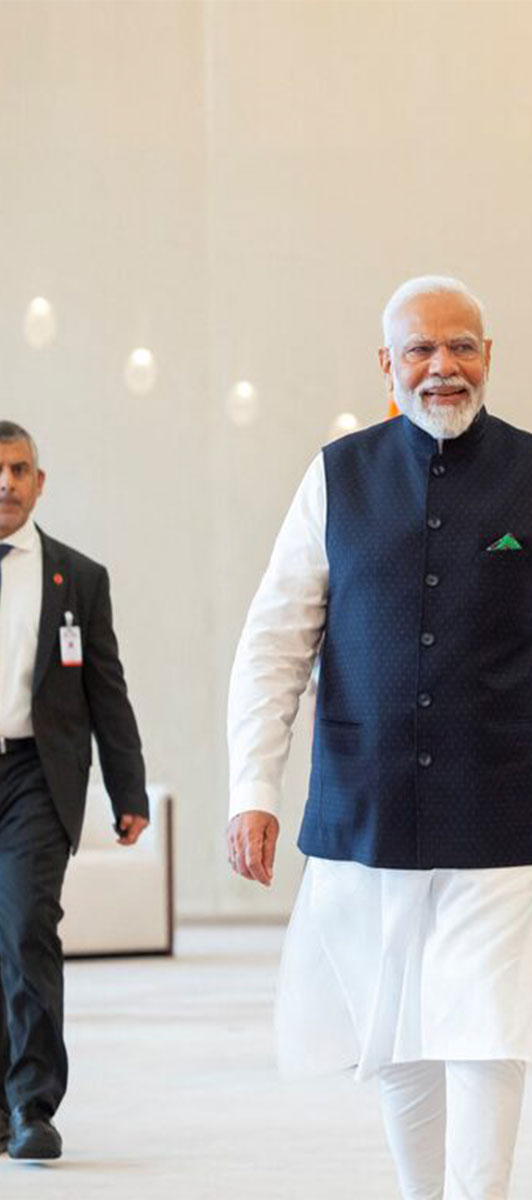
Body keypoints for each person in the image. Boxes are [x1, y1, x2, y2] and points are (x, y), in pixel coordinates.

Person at [226, 276, 532, 1199]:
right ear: (387, 365)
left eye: (462, 347)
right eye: (420, 349)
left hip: (503, 814)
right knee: (397, 1030)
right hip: (368, 813)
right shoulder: (335, 475)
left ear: (490, 357)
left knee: (489, 1026)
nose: (442, 367)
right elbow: (275, 640)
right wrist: (253, 784)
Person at [0, 421, 148, 1161]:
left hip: (35, 776)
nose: (5, 483)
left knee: (27, 927)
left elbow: (105, 691)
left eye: (19, 469)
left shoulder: (77, 579)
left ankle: (32, 1105)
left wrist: (129, 790)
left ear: (40, 481)